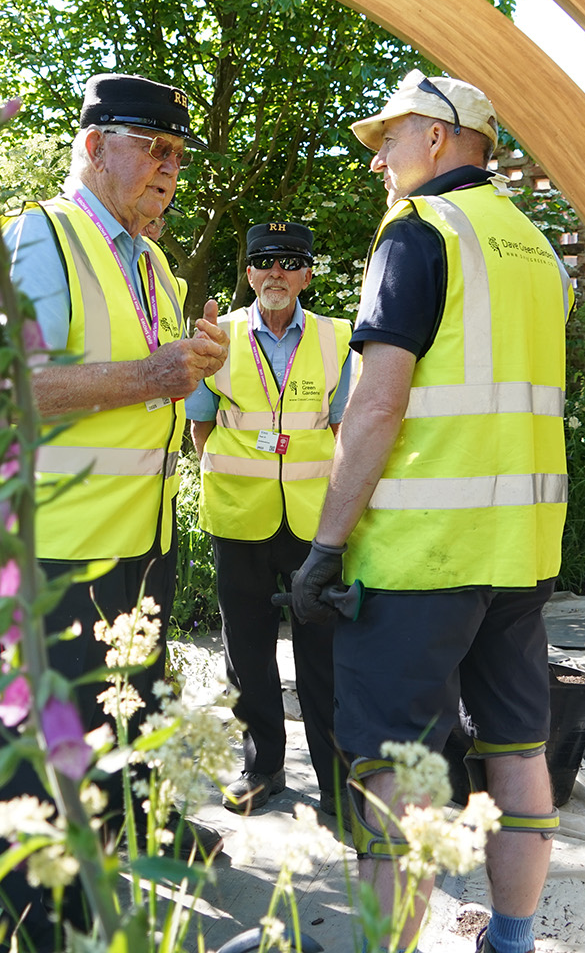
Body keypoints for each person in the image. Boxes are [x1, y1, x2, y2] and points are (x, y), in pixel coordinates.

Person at [282, 70, 574, 953]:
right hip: (517, 555)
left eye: (391, 139)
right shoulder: (536, 245)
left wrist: (324, 546)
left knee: (397, 782)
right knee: (518, 752)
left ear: (440, 139)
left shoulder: (420, 232)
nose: (379, 160)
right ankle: (513, 941)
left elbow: (377, 405)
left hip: (416, 561)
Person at [0, 73, 229, 947]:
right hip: (56, 558)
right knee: (35, 776)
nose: (169, 170)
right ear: (93, 146)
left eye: (178, 157)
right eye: (153, 148)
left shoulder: (151, 260)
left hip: (138, 556)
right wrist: (152, 376)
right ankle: (18, 933)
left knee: (111, 749)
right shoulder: (38, 239)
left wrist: (196, 361)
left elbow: (154, 386)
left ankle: (84, 916)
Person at [186, 221, 354, 815]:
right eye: (264, 261)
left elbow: (345, 432)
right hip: (239, 518)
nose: (276, 272)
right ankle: (262, 768)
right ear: (250, 272)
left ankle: (336, 777)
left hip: (315, 523)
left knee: (324, 652)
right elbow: (200, 424)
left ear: (308, 273)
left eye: (289, 261)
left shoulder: (339, 337)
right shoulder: (218, 336)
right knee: (246, 650)